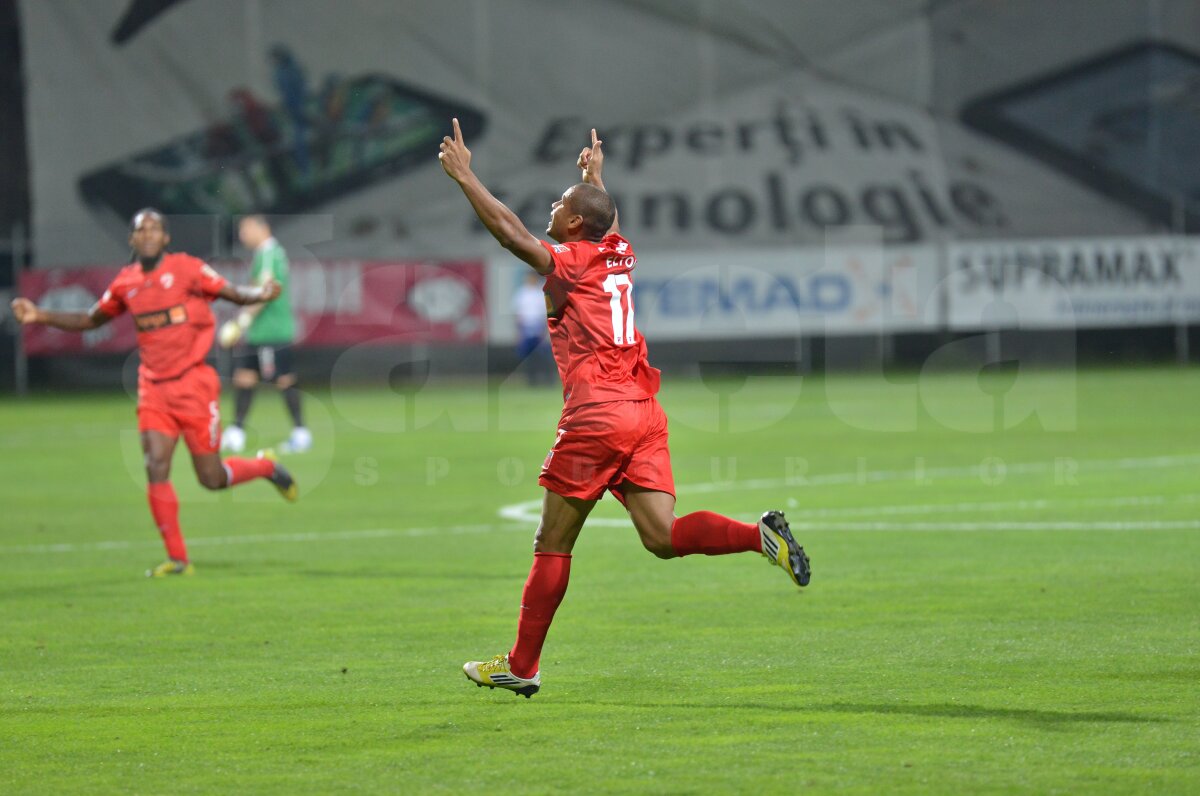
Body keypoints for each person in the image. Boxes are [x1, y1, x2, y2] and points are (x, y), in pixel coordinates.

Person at [438, 120, 811, 698]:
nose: (555, 206)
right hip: (643, 410)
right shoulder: (618, 251)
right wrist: (596, 180)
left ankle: (522, 664)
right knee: (661, 537)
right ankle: (758, 535)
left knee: (553, 543)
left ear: (576, 223)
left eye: (563, 203)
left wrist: (466, 176)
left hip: (599, 414)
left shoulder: (575, 259)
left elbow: (511, 236)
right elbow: (608, 222)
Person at [10, 209, 299, 578]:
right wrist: (39, 316)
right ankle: (178, 559)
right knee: (155, 466)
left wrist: (260, 292)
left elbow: (231, 292)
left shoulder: (188, 269)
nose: (147, 234)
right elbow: (90, 319)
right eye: (139, 229)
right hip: (154, 390)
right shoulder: (126, 283)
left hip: (194, 386)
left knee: (210, 478)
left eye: (154, 228)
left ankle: (266, 467)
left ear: (165, 238)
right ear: (132, 240)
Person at [218, 215, 310, 454]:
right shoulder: (265, 254)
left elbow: (265, 291)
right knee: (244, 377)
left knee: (284, 380)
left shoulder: (270, 254)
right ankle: (236, 432)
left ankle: (301, 433)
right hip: (260, 331)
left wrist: (241, 321)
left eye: (246, 229)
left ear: (263, 228)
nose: (242, 235)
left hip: (272, 331)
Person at [512, 270, 554, 385]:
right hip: (526, 327)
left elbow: (547, 312)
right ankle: (531, 380)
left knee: (544, 355)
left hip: (538, 327)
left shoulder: (541, 292)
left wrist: (545, 329)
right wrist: (519, 331)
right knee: (528, 356)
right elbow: (517, 314)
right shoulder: (521, 293)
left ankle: (549, 380)